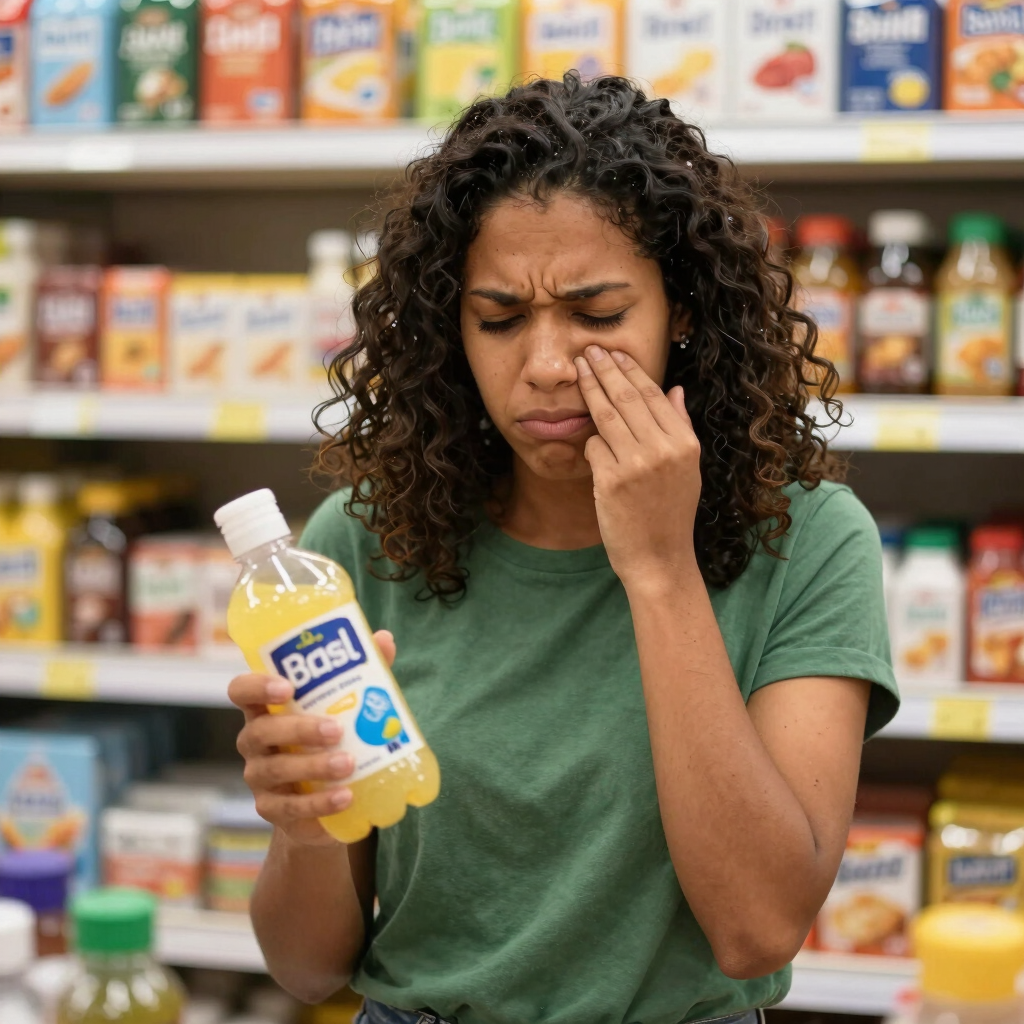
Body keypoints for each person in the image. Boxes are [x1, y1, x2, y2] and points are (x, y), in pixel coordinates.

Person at [228, 74, 899, 1024]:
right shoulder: (361, 543)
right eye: (499, 319)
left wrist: (661, 569)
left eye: (597, 315)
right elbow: (306, 971)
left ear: (686, 315)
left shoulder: (808, 539)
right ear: (447, 327)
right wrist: (301, 828)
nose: (545, 365)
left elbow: (757, 927)